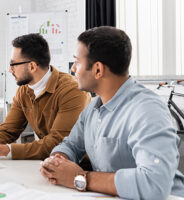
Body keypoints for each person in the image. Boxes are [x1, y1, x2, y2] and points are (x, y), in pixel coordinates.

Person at [40, 26, 184, 199]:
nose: (73, 69)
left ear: (98, 70)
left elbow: (154, 184)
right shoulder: (93, 107)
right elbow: (71, 145)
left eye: (77, 62)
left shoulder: (147, 110)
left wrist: (80, 178)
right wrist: (58, 160)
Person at [0, 33, 91, 160]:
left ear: (32, 66)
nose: (10, 70)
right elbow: (8, 131)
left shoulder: (72, 90)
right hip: (50, 163)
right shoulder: (23, 90)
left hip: (81, 166)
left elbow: (58, 142)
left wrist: (5, 150)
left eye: (13, 64)